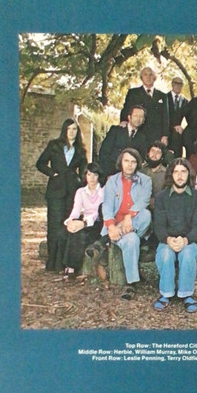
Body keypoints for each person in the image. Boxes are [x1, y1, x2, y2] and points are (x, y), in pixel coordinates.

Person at [152, 158, 197, 313]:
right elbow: (159, 226)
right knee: (166, 254)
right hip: (167, 240)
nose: (180, 175)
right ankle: (166, 293)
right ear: (171, 175)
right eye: (176, 172)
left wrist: (186, 240)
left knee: (188, 253)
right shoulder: (161, 197)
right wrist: (168, 239)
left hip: (189, 241)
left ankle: (186, 294)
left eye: (183, 171)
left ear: (189, 174)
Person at [36, 118, 87, 271]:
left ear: (77, 131)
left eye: (74, 129)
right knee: (54, 226)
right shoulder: (54, 145)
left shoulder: (80, 150)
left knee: (67, 224)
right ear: (64, 130)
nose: (71, 132)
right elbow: (40, 163)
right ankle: (53, 262)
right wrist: (52, 173)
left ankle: (64, 262)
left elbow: (84, 171)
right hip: (55, 190)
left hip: (72, 191)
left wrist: (80, 182)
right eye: (69, 129)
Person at [101, 148, 152, 300]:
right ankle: (131, 283)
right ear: (121, 162)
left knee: (146, 214)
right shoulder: (112, 181)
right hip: (117, 228)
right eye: (126, 161)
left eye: (133, 162)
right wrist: (111, 226)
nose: (129, 165)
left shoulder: (145, 180)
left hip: (135, 223)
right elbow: (107, 206)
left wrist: (129, 216)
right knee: (132, 239)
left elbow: (143, 201)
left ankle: (108, 238)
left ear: (137, 164)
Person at [62, 162, 104, 278]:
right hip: (83, 221)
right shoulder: (81, 191)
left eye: (95, 175)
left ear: (99, 176)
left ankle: (72, 267)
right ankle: (69, 267)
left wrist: (84, 223)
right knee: (70, 231)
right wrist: (70, 221)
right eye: (89, 174)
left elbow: (97, 213)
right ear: (85, 175)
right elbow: (75, 211)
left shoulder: (103, 191)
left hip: (98, 223)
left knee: (81, 234)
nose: (92, 178)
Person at [98, 105, 149, 177]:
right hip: (111, 174)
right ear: (129, 117)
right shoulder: (116, 131)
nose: (138, 119)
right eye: (135, 116)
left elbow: (141, 159)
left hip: (130, 177)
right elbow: (104, 153)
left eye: (141, 117)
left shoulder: (142, 138)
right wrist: (108, 175)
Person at [120, 67, 168, 144]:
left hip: (156, 134)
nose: (148, 77)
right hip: (138, 132)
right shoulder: (133, 93)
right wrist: (124, 120)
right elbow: (126, 109)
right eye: (145, 75)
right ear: (141, 77)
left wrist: (165, 135)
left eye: (151, 75)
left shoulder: (163, 96)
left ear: (154, 78)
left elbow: (166, 116)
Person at [140, 141, 169, 210]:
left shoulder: (166, 174)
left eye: (158, 152)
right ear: (148, 153)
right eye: (152, 151)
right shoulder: (140, 171)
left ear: (162, 157)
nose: (154, 154)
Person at [166, 76, 189, 157]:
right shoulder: (164, 98)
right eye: (176, 83)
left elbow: (190, 118)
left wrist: (183, 128)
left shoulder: (185, 101)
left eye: (180, 84)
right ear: (172, 84)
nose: (178, 86)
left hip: (177, 133)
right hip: (165, 129)